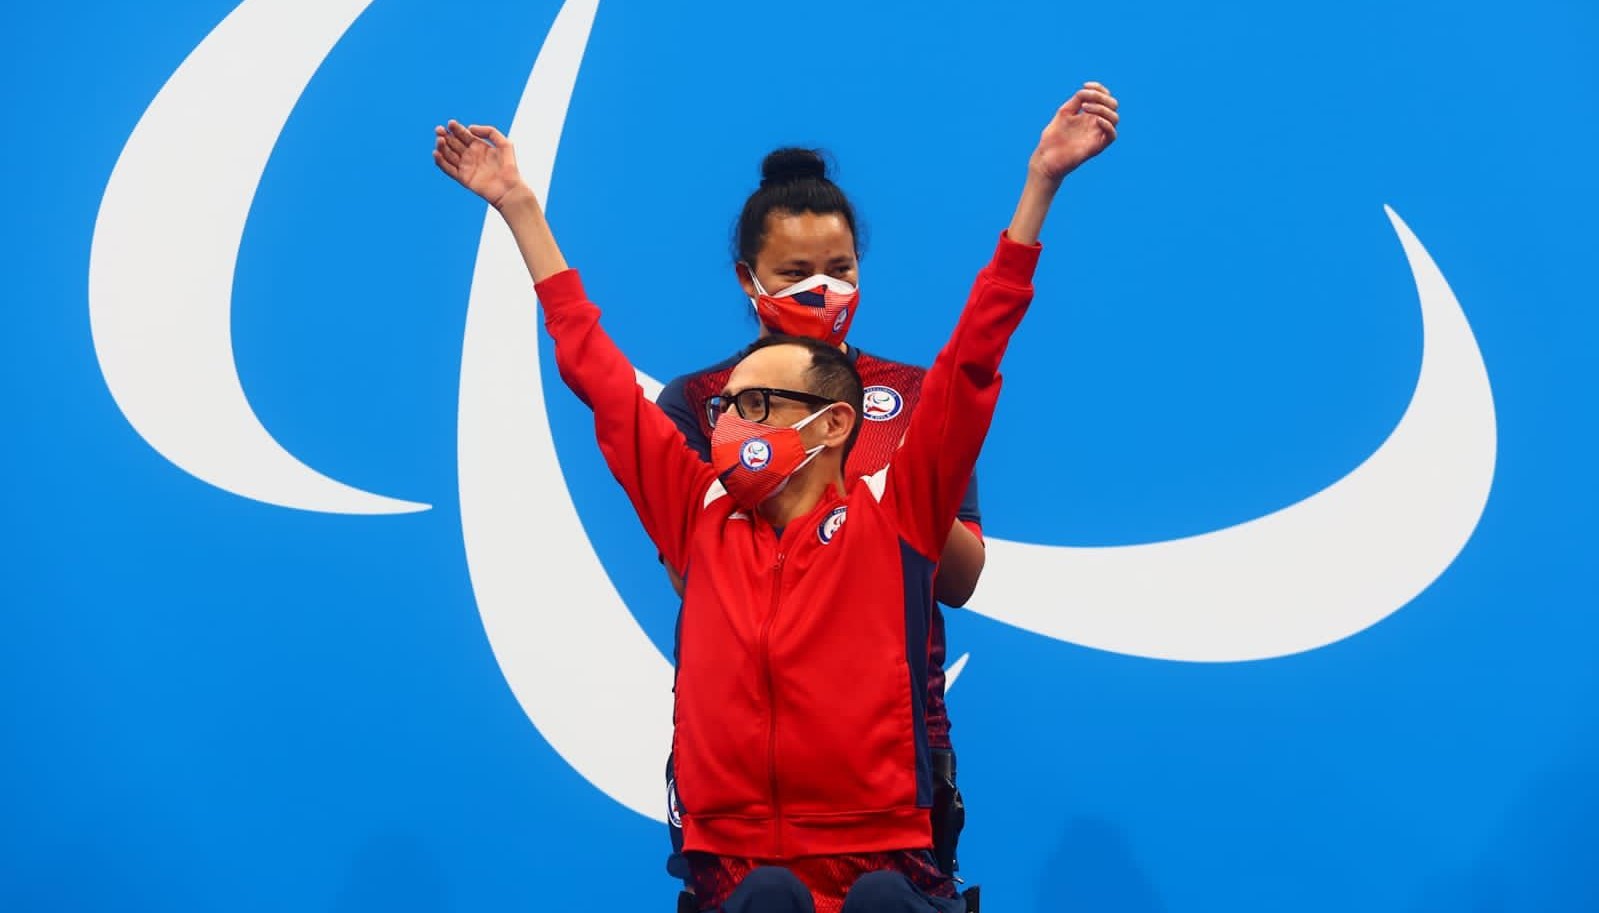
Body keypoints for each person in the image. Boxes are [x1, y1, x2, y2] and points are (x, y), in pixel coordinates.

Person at [433, 81, 1118, 913]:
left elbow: (975, 356)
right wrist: (518, 211)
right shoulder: (696, 515)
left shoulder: (894, 514)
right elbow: (597, 376)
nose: (727, 417)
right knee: (763, 899)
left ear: (835, 424)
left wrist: (1038, 187)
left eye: (755, 405)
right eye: (728, 405)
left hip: (880, 840)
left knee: (881, 907)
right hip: (734, 849)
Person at [654, 147, 989, 886]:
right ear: (748, 280)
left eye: (839, 269)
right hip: (740, 770)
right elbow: (694, 579)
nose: (820, 289)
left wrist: (889, 503)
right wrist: (782, 468)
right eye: (793, 273)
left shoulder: (914, 396)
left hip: (896, 750)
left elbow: (960, 581)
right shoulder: (704, 400)